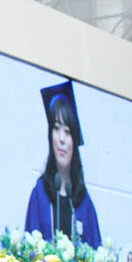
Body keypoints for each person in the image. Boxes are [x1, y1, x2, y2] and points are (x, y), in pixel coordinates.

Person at [25, 81, 101, 248]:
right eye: (56, 128)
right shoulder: (39, 194)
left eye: (67, 132)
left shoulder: (84, 202)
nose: (61, 139)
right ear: (49, 135)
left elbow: (97, 258)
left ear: (74, 140)